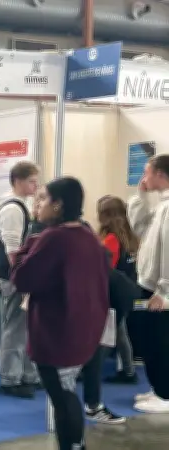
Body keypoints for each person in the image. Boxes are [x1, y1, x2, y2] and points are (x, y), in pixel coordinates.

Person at [11, 176, 109, 450]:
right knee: (65, 392)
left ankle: (73, 444)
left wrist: (26, 249)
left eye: (43, 199)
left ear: (58, 205)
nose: (38, 205)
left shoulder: (53, 238)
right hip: (84, 326)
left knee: (62, 395)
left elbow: (22, 279)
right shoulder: (88, 236)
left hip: (58, 331)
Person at [0, 161, 40, 398]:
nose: (36, 186)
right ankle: (10, 378)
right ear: (18, 181)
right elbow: (13, 250)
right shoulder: (12, 209)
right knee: (14, 328)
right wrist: (24, 279)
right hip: (14, 278)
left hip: (17, 276)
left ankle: (25, 374)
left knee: (23, 327)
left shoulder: (20, 206)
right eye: (32, 181)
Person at [127, 154, 169, 413]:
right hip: (150, 284)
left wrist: (164, 290)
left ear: (161, 174)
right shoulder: (161, 206)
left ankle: (165, 394)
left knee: (160, 340)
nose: (144, 177)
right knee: (150, 338)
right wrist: (140, 196)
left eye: (147, 172)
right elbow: (140, 227)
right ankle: (159, 388)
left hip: (160, 290)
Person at [98, 195, 138, 385]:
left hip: (112, 292)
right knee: (120, 333)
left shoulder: (111, 240)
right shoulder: (130, 236)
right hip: (128, 290)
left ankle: (93, 369)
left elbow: (106, 269)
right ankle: (128, 370)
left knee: (108, 333)